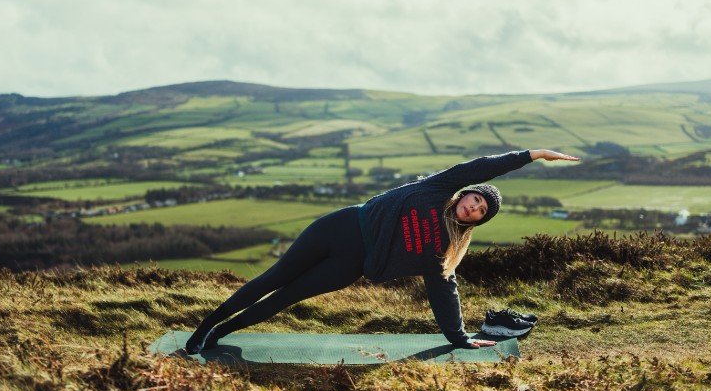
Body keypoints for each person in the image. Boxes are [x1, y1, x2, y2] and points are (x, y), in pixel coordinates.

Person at [184, 148, 580, 354]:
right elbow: (484, 165)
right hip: (340, 228)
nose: (473, 207)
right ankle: (202, 329)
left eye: (480, 211)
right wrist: (533, 155)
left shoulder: (444, 248)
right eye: (475, 199)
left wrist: (459, 338)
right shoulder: (439, 187)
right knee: (273, 278)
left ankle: (222, 331)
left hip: (351, 264)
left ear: (478, 221)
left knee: (288, 297)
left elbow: (444, 290)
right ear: (466, 192)